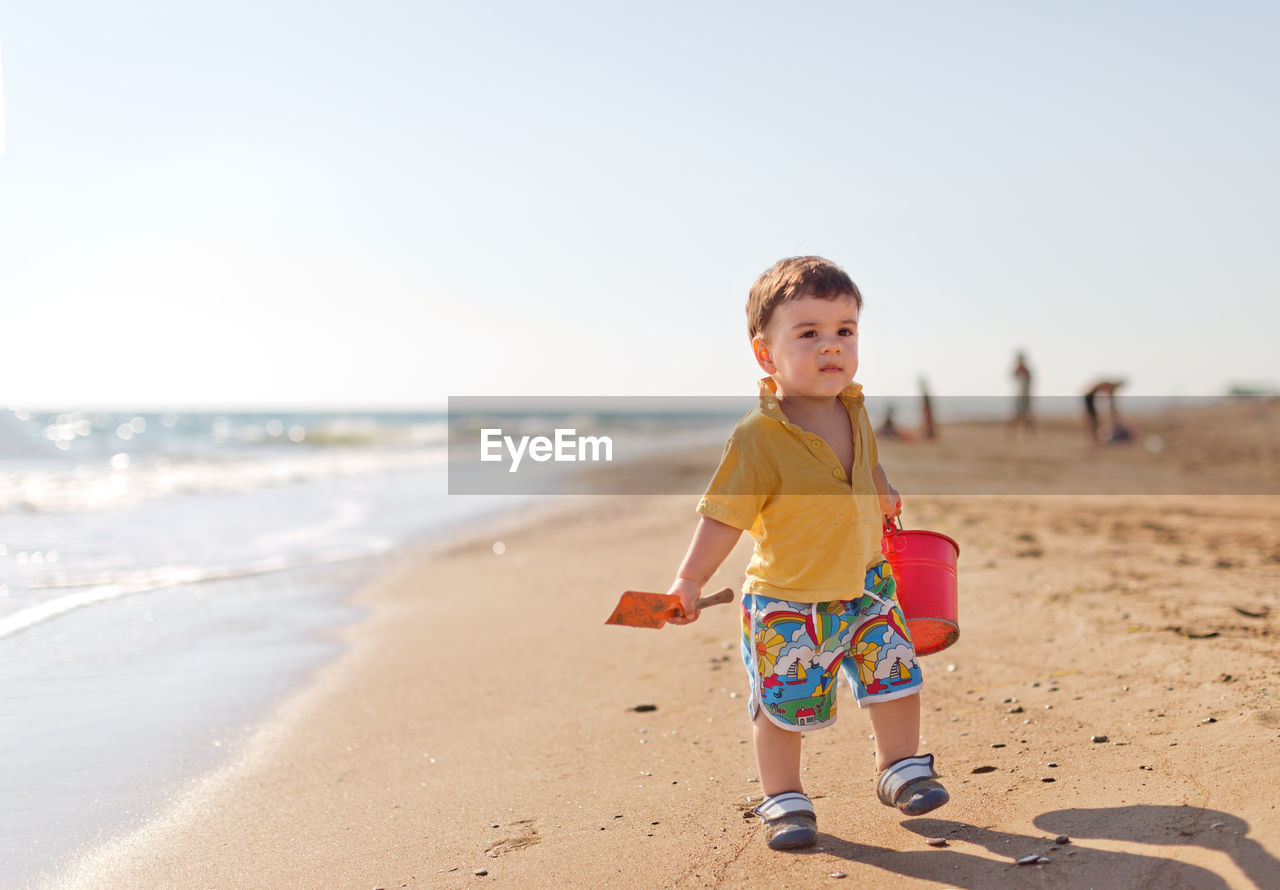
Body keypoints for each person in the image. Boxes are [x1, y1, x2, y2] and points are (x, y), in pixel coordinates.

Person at [665, 256, 948, 851]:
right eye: (809, 333)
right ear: (766, 354)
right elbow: (725, 514)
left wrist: (881, 485)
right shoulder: (758, 437)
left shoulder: (855, 408)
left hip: (869, 586)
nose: (832, 347)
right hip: (789, 603)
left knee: (896, 677)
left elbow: (865, 458)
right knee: (782, 704)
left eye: (845, 331)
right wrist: (690, 578)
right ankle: (785, 797)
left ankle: (900, 767)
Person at [1010, 351, 1033, 433]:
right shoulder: (1017, 370)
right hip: (1019, 395)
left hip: (1025, 395)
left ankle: (1030, 434)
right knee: (1018, 415)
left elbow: (1029, 382)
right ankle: (1011, 433)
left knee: (1026, 416)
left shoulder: (1026, 371)